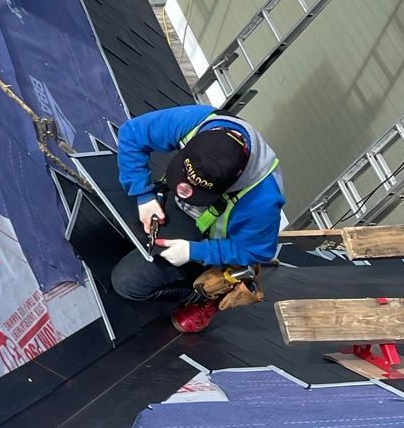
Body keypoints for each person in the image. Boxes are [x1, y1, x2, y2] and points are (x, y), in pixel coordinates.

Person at [110, 105, 284, 330]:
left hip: (206, 239)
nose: (186, 190)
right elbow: (132, 133)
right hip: (172, 203)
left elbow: (257, 251)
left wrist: (194, 251)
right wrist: (144, 196)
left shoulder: (263, 199)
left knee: (128, 283)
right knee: (116, 222)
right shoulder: (199, 122)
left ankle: (204, 297)